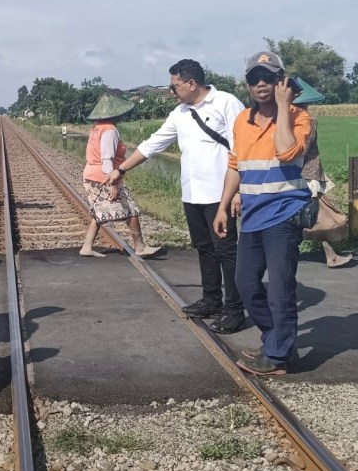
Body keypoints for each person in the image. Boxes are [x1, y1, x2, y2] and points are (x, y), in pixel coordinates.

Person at [108, 59, 245, 333]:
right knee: (204, 247)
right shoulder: (180, 113)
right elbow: (153, 143)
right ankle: (211, 299)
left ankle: (235, 310)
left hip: (222, 193)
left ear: (192, 83)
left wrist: (239, 191)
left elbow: (242, 148)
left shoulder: (227, 103)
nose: (172, 92)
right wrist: (121, 169)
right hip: (192, 193)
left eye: (175, 86)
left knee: (227, 252)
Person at [213, 51, 312, 376]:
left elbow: (286, 151)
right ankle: (278, 342)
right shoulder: (242, 120)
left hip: (284, 214)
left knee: (281, 287)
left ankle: (278, 356)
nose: (261, 84)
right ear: (247, 84)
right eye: (254, 78)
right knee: (245, 284)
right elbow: (235, 165)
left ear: (280, 81)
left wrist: (284, 106)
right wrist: (224, 206)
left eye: (268, 78)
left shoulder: (299, 117)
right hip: (252, 215)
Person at [81, 94, 162, 259]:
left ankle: (87, 246)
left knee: (100, 210)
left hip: (92, 173)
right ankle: (140, 246)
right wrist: (112, 183)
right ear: (114, 114)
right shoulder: (110, 130)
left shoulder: (98, 127)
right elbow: (107, 158)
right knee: (130, 209)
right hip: (104, 176)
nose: (123, 115)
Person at [300, 110, 353, 268]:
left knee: (313, 215)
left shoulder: (282, 119)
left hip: (299, 174)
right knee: (318, 215)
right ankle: (331, 256)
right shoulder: (307, 120)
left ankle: (331, 255)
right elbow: (304, 149)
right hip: (308, 173)